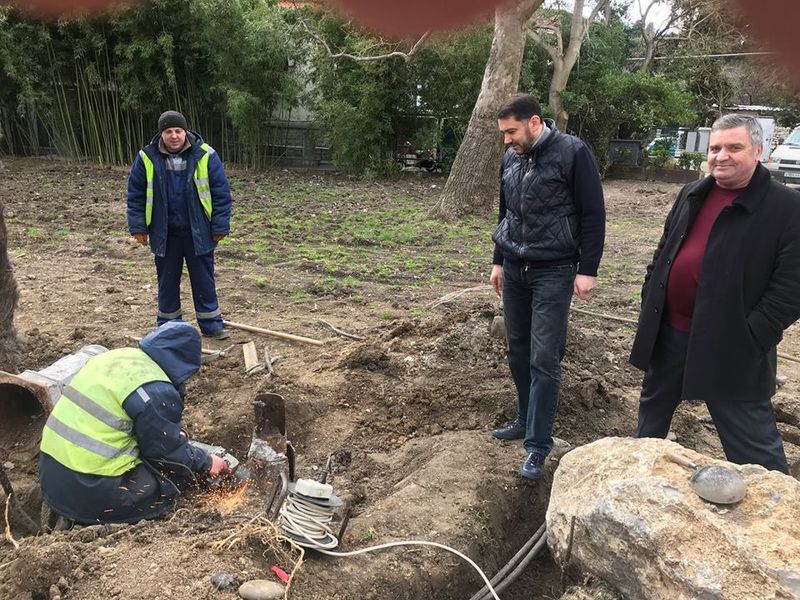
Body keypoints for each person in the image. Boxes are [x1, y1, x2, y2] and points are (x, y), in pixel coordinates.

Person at [630, 114, 800, 474]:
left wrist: (753, 336)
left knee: (755, 450)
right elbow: (664, 251)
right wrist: (651, 294)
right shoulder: (692, 192)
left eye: (734, 147)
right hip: (670, 334)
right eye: (715, 148)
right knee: (650, 424)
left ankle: (778, 518)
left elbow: (791, 289)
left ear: (759, 149)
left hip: (733, 345)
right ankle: (639, 480)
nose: (721, 156)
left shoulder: (786, 208)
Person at [490, 95, 606, 480]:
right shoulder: (512, 157)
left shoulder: (572, 153)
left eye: (511, 131)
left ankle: (538, 445)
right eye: (503, 133)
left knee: (544, 357)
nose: (507, 140)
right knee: (517, 349)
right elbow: (506, 212)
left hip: (554, 269)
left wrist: (586, 268)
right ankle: (524, 419)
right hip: (515, 266)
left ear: (535, 123)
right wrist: (497, 260)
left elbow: (593, 213)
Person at [39, 321, 229, 526]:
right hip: (93, 489)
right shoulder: (155, 391)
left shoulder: (117, 357)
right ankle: (99, 520)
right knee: (171, 481)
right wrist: (207, 462)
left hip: (52, 474)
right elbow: (166, 455)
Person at [127, 110, 232, 340]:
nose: (174, 136)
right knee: (167, 281)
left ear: (185, 131)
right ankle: (169, 326)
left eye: (178, 130)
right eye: (168, 131)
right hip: (165, 232)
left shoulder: (205, 155)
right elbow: (135, 194)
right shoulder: (146, 157)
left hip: (199, 231)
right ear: (161, 134)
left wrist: (220, 226)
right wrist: (138, 227)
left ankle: (211, 324)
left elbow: (221, 193)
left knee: (204, 279)